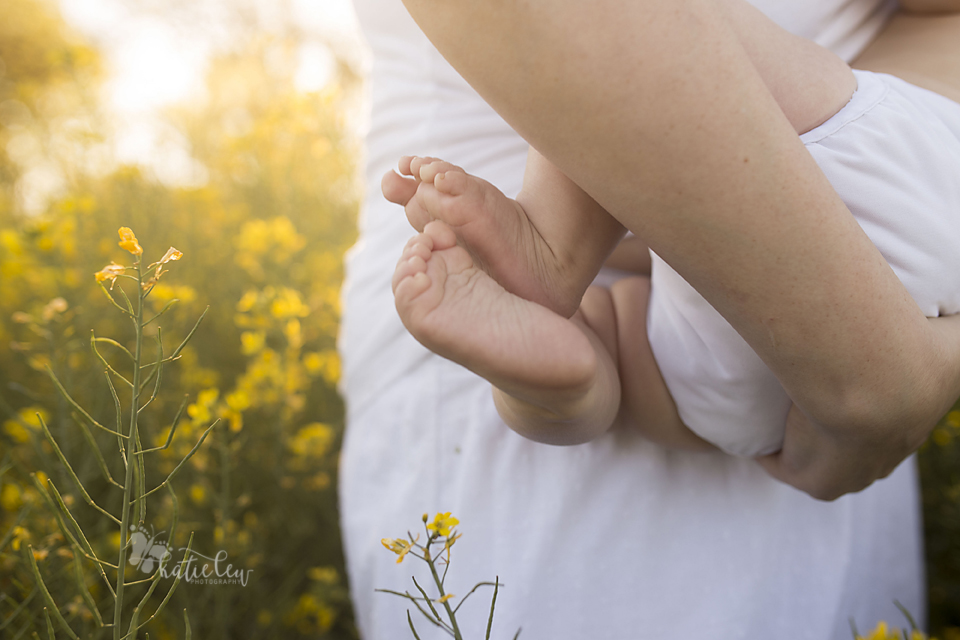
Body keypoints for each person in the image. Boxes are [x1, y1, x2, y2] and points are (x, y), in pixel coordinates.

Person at [338, 0, 957, 637]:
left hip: (850, 238)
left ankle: (557, 264)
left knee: (667, 28)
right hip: (853, 354)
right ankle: (577, 368)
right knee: (666, 368)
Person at [384, 0, 960, 458]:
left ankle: (557, 268)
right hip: (916, 253)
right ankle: (565, 377)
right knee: (640, 347)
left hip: (735, 396)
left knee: (645, 32)